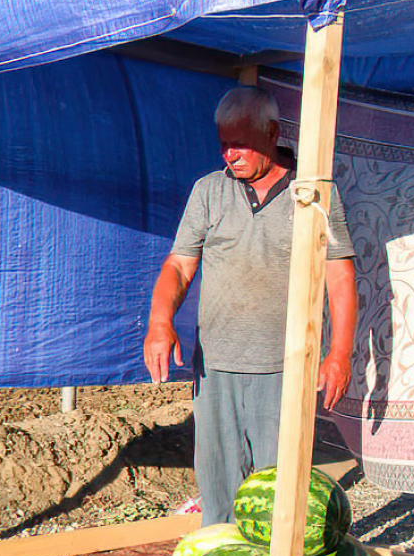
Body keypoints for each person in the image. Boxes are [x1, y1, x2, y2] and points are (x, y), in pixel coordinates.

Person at [143, 86, 357, 524]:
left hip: (284, 368)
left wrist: (339, 354)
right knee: (217, 487)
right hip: (216, 366)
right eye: (223, 143)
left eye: (240, 142)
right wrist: (159, 321)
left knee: (278, 493)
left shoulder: (313, 196)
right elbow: (180, 266)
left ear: (273, 132)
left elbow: (340, 275)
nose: (230, 154)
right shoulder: (209, 191)